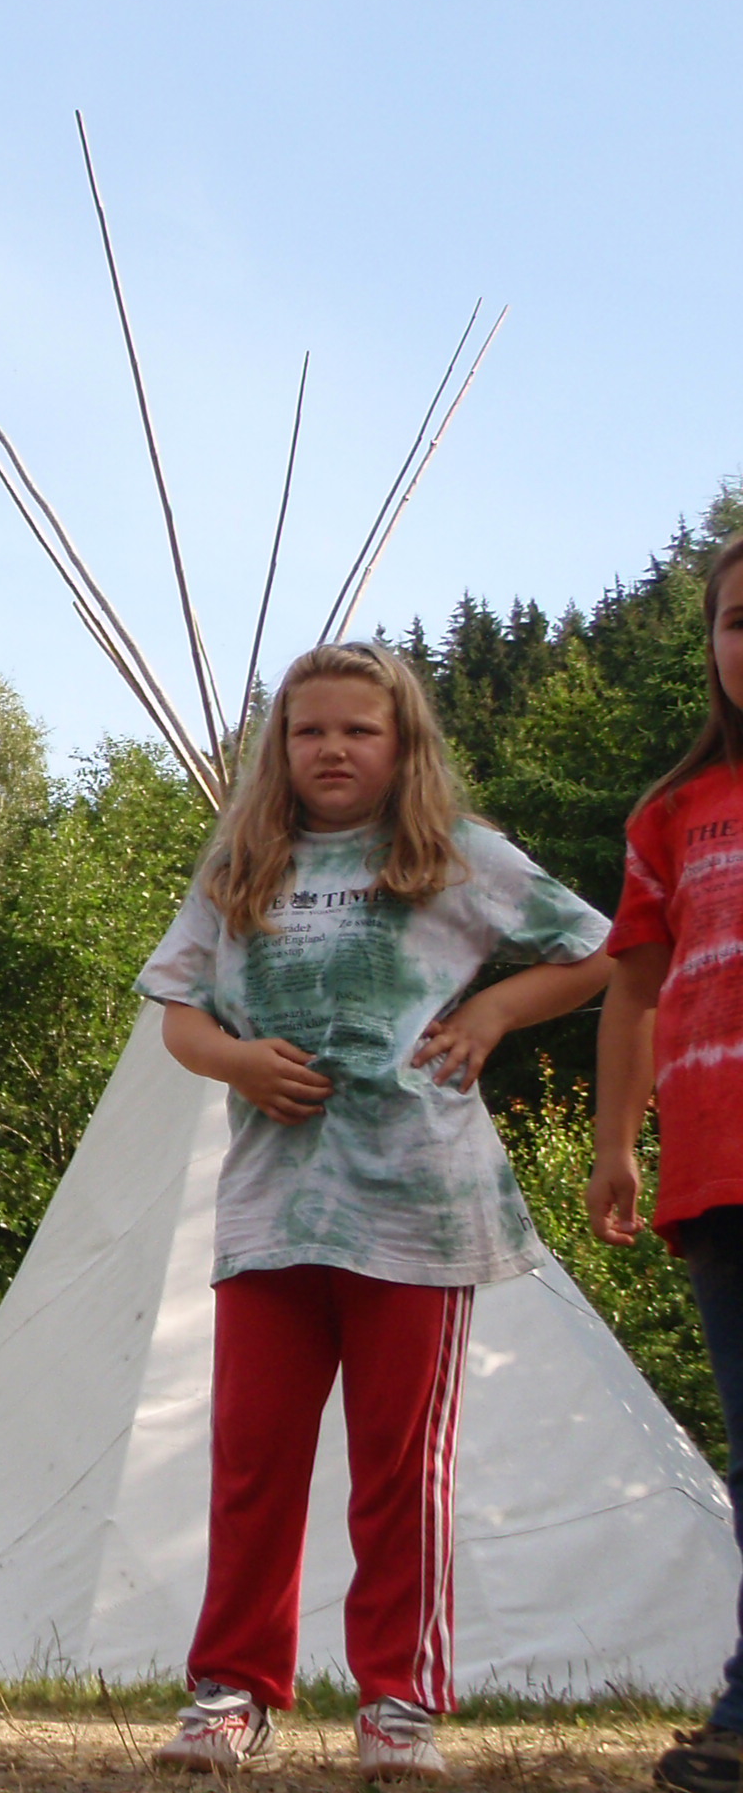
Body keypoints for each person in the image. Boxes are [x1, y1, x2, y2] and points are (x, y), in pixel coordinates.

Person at [141, 641, 611, 1783]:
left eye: (360, 730)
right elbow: (179, 1011)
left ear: (403, 744)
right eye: (310, 731)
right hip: (272, 1209)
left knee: (399, 1469)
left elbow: (600, 949)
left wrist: (493, 1013)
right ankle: (233, 1691)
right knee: (253, 1458)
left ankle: (398, 1703)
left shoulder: (455, 854)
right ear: (280, 747)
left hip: (418, 1207)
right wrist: (238, 1062)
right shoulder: (241, 863)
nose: (334, 749)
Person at [585, 531, 743, 1793]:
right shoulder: (670, 815)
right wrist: (615, 1145)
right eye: (737, 621)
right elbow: (633, 991)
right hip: (720, 1168)